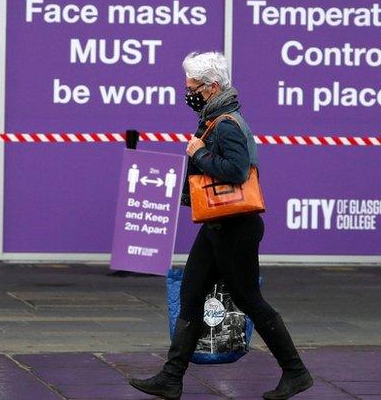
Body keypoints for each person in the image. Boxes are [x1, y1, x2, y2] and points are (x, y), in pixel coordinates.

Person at [129, 52, 312, 400]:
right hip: (217, 225)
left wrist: (198, 153)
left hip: (235, 227)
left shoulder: (226, 123)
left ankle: (296, 372)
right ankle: (171, 378)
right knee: (191, 293)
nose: (188, 94)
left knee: (249, 299)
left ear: (212, 87)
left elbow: (237, 170)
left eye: (193, 88)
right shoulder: (215, 118)